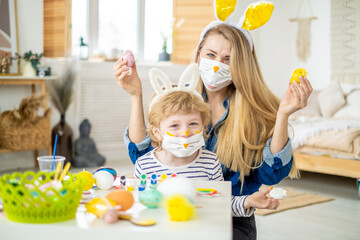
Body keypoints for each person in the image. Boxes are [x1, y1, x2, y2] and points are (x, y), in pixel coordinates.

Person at [113, 2, 312, 239]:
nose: (217, 64)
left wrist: (283, 114)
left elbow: (270, 175)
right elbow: (142, 156)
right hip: (176, 211)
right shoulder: (179, 100)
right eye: (210, 54)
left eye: (228, 59)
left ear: (241, 65)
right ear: (198, 54)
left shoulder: (251, 113)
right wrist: (136, 95)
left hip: (232, 216)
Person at [134, 64, 279, 217]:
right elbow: (139, 207)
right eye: (175, 125)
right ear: (157, 132)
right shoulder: (144, 166)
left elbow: (222, 203)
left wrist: (247, 201)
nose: (185, 132)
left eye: (193, 124)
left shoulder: (210, 163)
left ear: (203, 127)